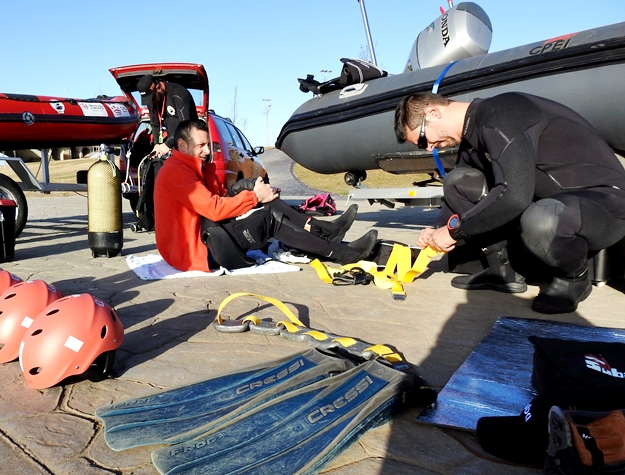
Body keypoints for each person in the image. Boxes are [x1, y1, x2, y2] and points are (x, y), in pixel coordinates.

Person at [394, 91, 625, 314]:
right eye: (422, 146)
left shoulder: (503, 113)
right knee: (458, 180)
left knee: (543, 219)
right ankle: (503, 272)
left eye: (424, 139)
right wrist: (438, 232)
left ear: (433, 112)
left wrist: (454, 232)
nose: (429, 148)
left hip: (605, 205)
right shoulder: (472, 135)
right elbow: (460, 197)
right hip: (551, 202)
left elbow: (514, 198)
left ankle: (573, 278)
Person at [153, 119, 377, 272]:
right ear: (182, 145)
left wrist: (254, 192)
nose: (207, 151)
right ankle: (338, 253)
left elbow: (222, 197)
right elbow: (214, 209)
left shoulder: (194, 167)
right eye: (201, 146)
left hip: (205, 232)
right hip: (192, 251)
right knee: (266, 216)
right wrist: (255, 199)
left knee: (250, 188)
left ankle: (324, 230)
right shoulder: (175, 172)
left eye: (208, 145)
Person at [137, 74, 198, 157]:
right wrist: (157, 145)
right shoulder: (152, 100)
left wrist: (167, 144)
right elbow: (155, 124)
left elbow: (185, 127)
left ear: (158, 87)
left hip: (189, 144)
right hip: (173, 143)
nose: (152, 101)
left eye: (153, 97)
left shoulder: (178, 93)